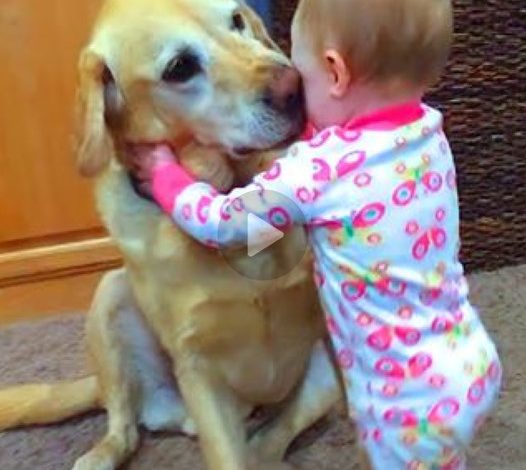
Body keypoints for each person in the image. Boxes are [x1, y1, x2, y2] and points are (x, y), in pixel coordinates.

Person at [132, 0, 501, 468]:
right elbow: (320, 211)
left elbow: (226, 226)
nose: (292, 92)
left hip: (406, 405)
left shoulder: (317, 172)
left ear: (335, 73)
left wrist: (168, 177)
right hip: (468, 361)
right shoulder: (426, 132)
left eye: (298, 75)